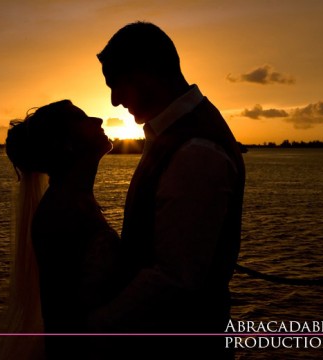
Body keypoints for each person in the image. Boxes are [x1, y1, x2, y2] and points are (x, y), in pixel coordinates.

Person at [90, 22, 245, 359]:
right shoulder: (175, 136)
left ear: (145, 71)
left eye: (117, 85)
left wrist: (95, 327)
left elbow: (176, 278)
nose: (115, 101)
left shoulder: (196, 150)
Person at [0, 100, 119, 359]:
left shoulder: (75, 201)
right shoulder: (61, 213)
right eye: (82, 118)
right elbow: (63, 316)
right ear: (64, 143)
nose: (98, 120)